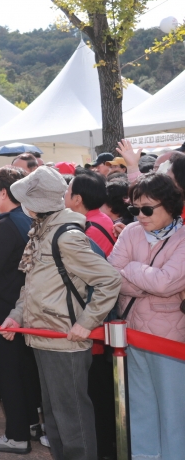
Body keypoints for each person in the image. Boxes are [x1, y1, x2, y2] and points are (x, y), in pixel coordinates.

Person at [0, 166, 121, 460]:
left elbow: (109, 280)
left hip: (64, 341)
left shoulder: (64, 235)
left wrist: (86, 322)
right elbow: (34, 285)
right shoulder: (45, 230)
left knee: (72, 420)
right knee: (54, 417)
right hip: (44, 337)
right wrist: (17, 315)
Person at [108, 172, 185, 460]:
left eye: (147, 208)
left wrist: (132, 270)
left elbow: (166, 283)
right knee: (140, 406)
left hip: (171, 338)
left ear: (170, 205)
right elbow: (110, 275)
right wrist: (149, 281)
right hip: (132, 333)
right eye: (134, 209)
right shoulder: (130, 232)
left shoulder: (183, 238)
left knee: (173, 410)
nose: (140, 215)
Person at [0, 166, 43, 454]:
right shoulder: (26, 218)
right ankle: (30, 425)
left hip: (3, 311)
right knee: (24, 372)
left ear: (3, 192)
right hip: (21, 307)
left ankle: (17, 436)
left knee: (8, 376)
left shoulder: (5, 223)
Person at [65, 169, 116, 256]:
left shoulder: (88, 230)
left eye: (67, 190)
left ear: (77, 199)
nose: (64, 193)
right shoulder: (102, 217)